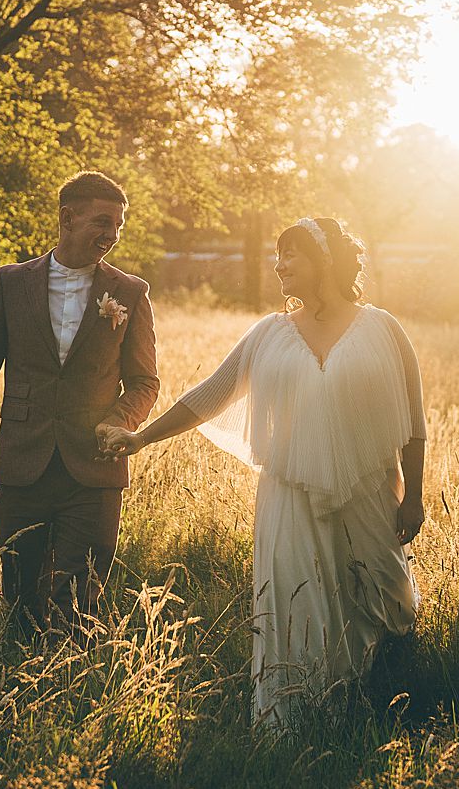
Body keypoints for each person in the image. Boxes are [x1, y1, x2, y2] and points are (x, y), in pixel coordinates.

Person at [99, 217, 426, 729]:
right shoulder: (270, 334)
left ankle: (371, 705)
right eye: (277, 255)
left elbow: (414, 421)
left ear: (324, 260)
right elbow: (210, 395)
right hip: (289, 497)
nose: (279, 265)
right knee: (296, 606)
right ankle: (293, 720)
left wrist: (415, 496)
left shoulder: (383, 329)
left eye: (291, 255)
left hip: (370, 492)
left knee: (385, 599)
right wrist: (141, 438)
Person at [0, 171, 159, 635]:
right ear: (66, 217)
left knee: (78, 602)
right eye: (101, 222)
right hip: (22, 466)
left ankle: (74, 694)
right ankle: (20, 694)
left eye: (118, 226)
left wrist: (119, 422)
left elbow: (144, 382)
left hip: (94, 471)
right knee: (21, 599)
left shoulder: (131, 293)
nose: (110, 236)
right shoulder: (12, 283)